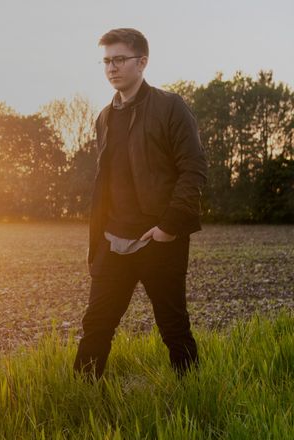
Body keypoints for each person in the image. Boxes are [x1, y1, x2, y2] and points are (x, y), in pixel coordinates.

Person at [74, 28, 207, 380]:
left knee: (173, 327)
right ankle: (80, 397)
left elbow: (193, 169)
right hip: (113, 241)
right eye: (106, 61)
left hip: (158, 239)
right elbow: (105, 182)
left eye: (119, 59)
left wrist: (168, 227)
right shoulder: (104, 117)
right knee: (96, 326)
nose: (111, 68)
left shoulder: (170, 106)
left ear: (142, 62)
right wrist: (100, 238)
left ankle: (194, 394)